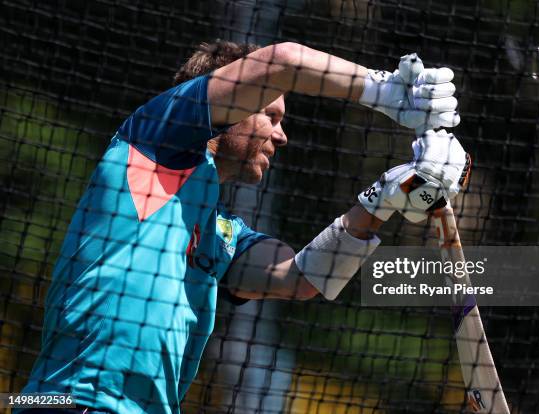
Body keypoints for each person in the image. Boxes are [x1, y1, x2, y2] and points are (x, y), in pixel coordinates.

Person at [19, 41, 469, 413]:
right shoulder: (154, 141)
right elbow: (285, 62)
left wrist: (389, 194)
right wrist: (387, 91)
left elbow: (303, 277)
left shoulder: (217, 233)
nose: (281, 135)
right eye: (270, 116)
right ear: (227, 103)